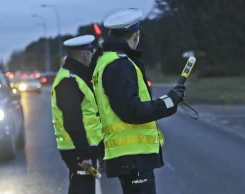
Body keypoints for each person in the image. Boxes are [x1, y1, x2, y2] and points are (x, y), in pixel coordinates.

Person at [92, 8, 186, 194]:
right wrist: (168, 102)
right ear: (136, 35)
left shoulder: (107, 60)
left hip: (128, 155)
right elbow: (131, 110)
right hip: (132, 156)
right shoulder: (119, 64)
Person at [51, 35, 103, 194]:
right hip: (78, 151)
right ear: (85, 54)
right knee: (82, 189)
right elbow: (72, 121)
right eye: (91, 52)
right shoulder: (68, 81)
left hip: (81, 149)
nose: (92, 56)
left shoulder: (76, 77)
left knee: (83, 187)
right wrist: (84, 154)